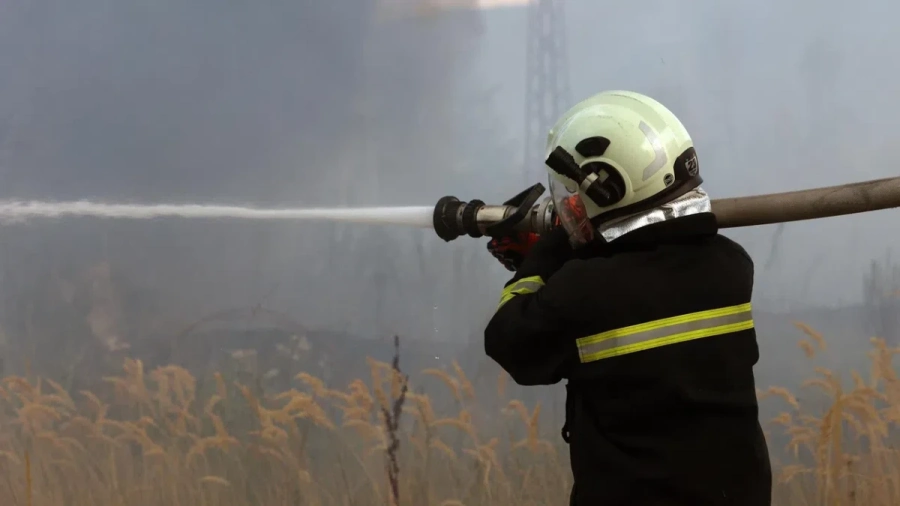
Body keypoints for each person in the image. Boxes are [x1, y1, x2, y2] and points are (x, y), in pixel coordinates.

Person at [485, 90, 772, 506]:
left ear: (608, 189)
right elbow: (641, 274)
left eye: (573, 195)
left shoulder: (584, 292)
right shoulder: (729, 267)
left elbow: (510, 341)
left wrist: (543, 258)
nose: (569, 207)